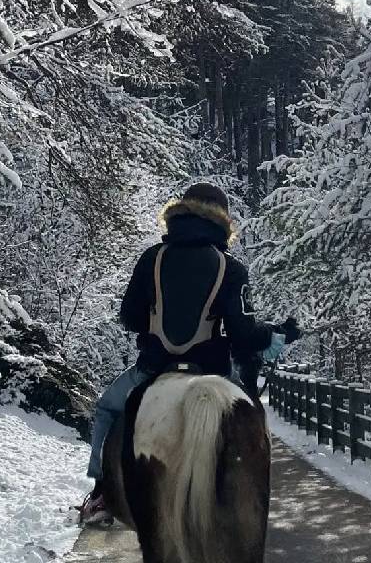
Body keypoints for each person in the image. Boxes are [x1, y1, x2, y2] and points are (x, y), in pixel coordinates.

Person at [78, 182, 301, 525]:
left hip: (154, 369)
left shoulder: (152, 258)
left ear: (180, 211)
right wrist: (275, 336)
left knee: (108, 408)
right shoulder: (231, 268)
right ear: (223, 219)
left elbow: (130, 317)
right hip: (211, 371)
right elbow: (242, 333)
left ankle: (103, 493)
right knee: (251, 421)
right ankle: (249, 497)